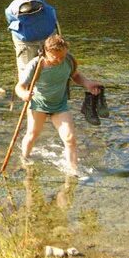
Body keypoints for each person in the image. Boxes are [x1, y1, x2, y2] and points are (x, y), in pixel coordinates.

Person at [15, 34, 102, 176]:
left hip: (59, 105)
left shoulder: (68, 60)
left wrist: (88, 83)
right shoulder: (36, 65)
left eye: (62, 56)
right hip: (38, 105)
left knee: (70, 138)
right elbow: (20, 86)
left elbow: (75, 76)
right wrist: (24, 94)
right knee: (32, 135)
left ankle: (73, 172)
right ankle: (24, 161)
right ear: (46, 52)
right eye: (56, 57)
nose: (60, 60)